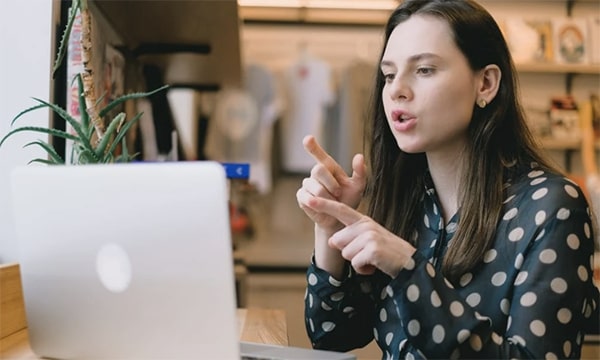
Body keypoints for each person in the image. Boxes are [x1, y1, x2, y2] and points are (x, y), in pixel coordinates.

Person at [296, 0, 599, 359]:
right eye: (389, 74)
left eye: (423, 70)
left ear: (485, 83)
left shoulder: (551, 207)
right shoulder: (404, 201)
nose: (396, 90)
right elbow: (332, 337)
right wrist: (329, 228)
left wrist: (409, 269)